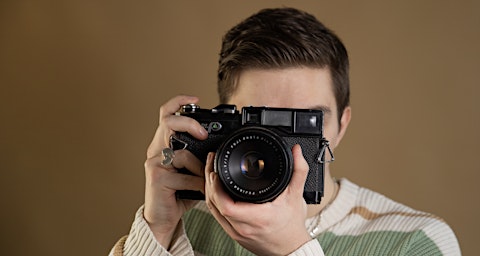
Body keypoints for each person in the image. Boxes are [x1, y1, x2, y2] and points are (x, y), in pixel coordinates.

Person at [110, 7, 461, 256]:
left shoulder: (415, 242)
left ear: (341, 125)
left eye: (304, 124)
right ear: (224, 123)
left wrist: (292, 250)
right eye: (260, 123)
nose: (277, 145)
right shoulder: (186, 222)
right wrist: (157, 230)